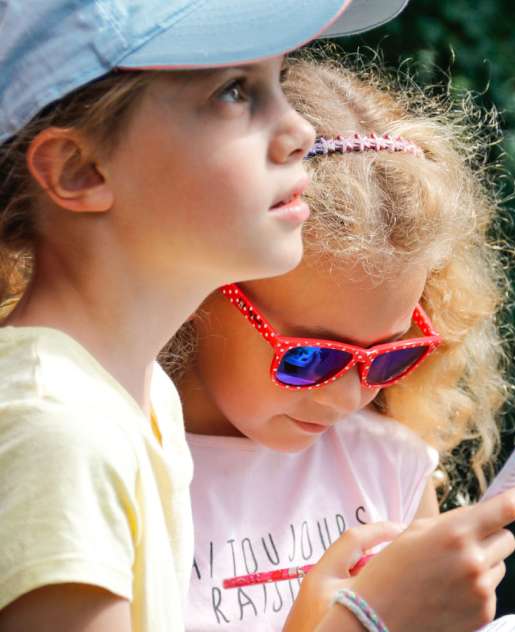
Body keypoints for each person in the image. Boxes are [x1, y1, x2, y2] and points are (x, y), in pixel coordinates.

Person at [0, 2, 413, 631]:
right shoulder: (55, 429)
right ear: (78, 170)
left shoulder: (140, 398)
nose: (299, 129)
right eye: (234, 92)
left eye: (280, 81)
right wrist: (360, 622)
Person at [164, 53, 515, 632]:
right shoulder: (125, 463)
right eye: (311, 357)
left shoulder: (386, 464)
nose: (349, 399)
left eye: (391, 356)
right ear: (200, 288)